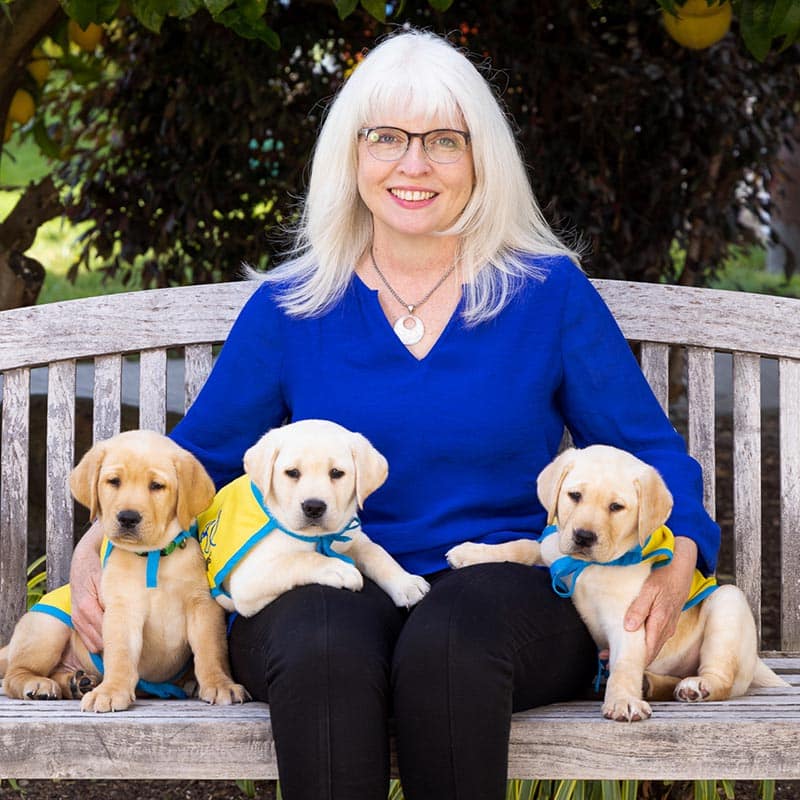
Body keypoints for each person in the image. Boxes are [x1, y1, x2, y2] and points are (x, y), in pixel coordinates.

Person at [69, 28, 720, 800]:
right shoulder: (292, 306)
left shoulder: (545, 294)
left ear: (482, 160)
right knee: (322, 646)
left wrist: (680, 556)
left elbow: (647, 449)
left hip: (506, 589)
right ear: (352, 154)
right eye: (386, 138)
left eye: (444, 140)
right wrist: (95, 548)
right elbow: (193, 462)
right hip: (326, 570)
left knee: (449, 642)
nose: (413, 165)